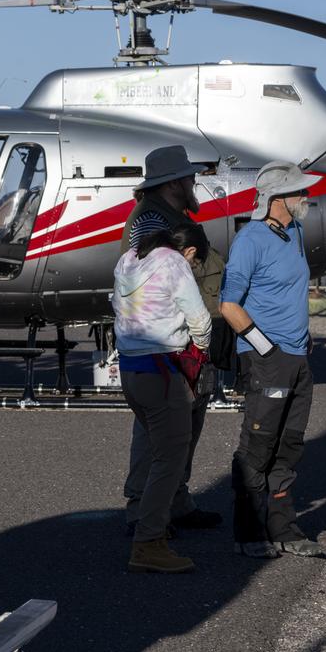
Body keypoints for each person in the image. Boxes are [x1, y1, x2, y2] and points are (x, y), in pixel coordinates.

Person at [119, 145, 225, 538]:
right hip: (170, 348)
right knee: (159, 433)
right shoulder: (150, 224)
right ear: (175, 183)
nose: (194, 182)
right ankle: (142, 510)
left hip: (182, 345)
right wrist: (193, 339)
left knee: (183, 428)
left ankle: (173, 502)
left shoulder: (167, 217)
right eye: (189, 177)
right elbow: (157, 285)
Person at [221, 160, 325, 559]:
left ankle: (284, 527)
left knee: (289, 444)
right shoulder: (250, 239)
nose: (307, 197)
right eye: (300, 192)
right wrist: (266, 347)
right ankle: (248, 531)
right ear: (276, 198)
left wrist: (303, 338)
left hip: (297, 357)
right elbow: (229, 305)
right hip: (268, 359)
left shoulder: (295, 231)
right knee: (258, 445)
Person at [114, 222, 213, 573]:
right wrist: (199, 353)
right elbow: (200, 320)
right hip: (162, 370)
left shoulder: (128, 259)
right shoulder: (174, 263)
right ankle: (149, 541)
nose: (193, 267)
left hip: (131, 370)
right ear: (189, 252)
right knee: (171, 457)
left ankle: (145, 528)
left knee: (158, 453)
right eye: (196, 262)